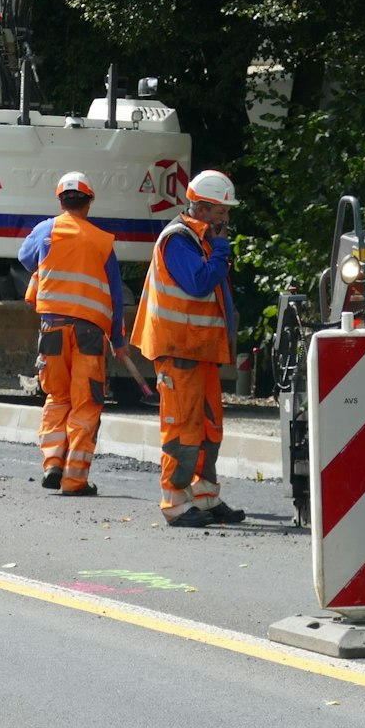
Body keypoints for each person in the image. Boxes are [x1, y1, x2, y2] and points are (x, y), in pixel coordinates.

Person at [131, 170, 247, 528]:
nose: (226, 219)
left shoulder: (199, 240)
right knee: (182, 428)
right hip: (179, 350)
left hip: (200, 351)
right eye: (221, 212)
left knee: (209, 427)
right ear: (202, 207)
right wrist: (223, 250)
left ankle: (206, 498)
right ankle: (176, 504)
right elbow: (198, 283)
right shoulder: (179, 239)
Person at [19, 172, 130, 498]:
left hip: (52, 328)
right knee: (86, 402)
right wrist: (118, 340)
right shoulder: (101, 241)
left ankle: (53, 462)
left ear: (60, 201)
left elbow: (25, 259)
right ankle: (74, 479)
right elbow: (115, 295)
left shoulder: (45, 230)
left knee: (56, 397)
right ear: (89, 202)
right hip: (90, 335)